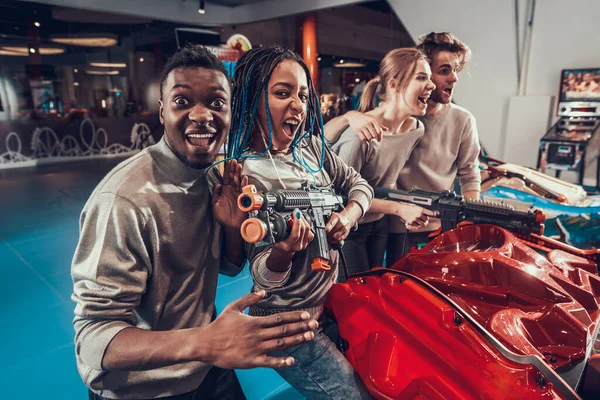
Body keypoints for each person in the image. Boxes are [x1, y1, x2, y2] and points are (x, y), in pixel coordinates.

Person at [71, 45, 319, 400]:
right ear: (162, 112)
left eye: (216, 103)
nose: (202, 115)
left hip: (205, 365)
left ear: (231, 114)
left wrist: (233, 225)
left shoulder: (211, 179)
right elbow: (92, 339)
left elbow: (230, 268)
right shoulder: (123, 201)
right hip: (142, 389)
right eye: (183, 101)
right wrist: (206, 340)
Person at [227, 46, 373, 399]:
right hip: (285, 320)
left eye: (304, 95)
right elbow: (262, 274)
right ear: (250, 100)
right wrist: (283, 252)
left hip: (326, 301)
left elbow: (360, 185)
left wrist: (347, 216)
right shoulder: (247, 176)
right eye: (282, 93)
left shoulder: (310, 150)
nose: (298, 105)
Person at [324, 32, 481, 264]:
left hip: (402, 221)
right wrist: (350, 117)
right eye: (443, 71)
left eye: (455, 70)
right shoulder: (364, 132)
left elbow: (470, 174)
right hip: (376, 222)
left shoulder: (416, 127)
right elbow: (324, 151)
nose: (454, 78)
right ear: (397, 84)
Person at [330, 48, 437, 275]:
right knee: (354, 297)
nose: (432, 85)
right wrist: (399, 209)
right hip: (350, 227)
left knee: (375, 288)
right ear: (394, 84)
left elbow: (385, 181)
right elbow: (340, 197)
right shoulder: (359, 136)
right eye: (421, 77)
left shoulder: (416, 130)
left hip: (379, 224)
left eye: (429, 77)